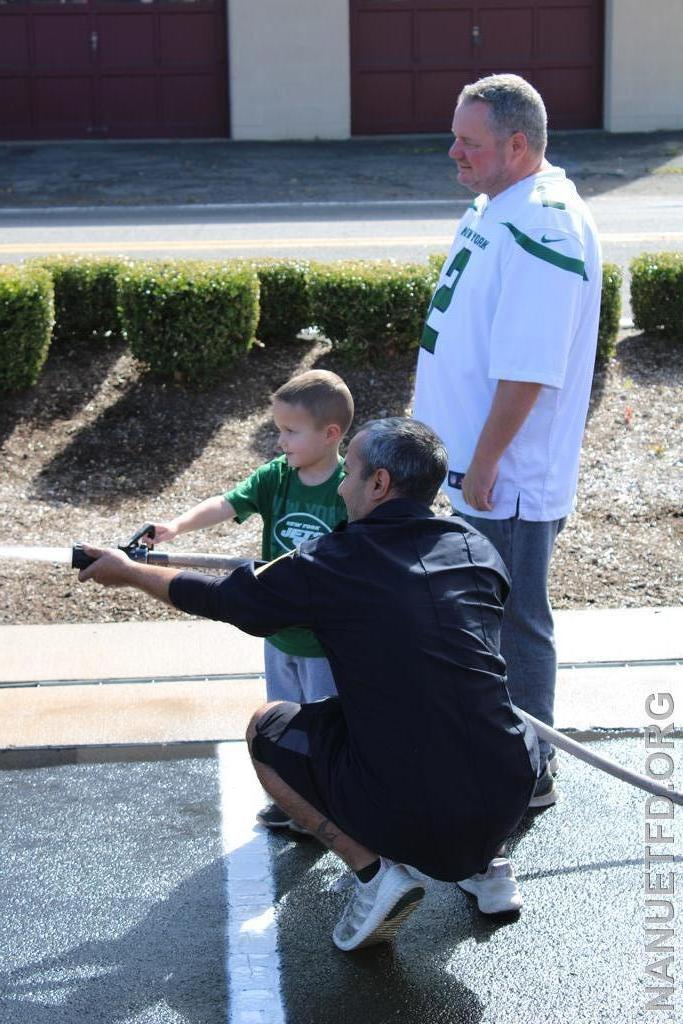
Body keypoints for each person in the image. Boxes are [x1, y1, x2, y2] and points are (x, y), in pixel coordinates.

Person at [79, 417, 538, 951]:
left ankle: (375, 875)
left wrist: (130, 572)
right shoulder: (475, 549)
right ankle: (483, 864)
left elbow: (227, 599)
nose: (342, 484)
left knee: (266, 730)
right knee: (447, 716)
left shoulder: (333, 563)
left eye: (351, 472)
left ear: (380, 484)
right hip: (510, 787)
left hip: (411, 808)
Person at [413, 74, 602, 808]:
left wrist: (485, 460)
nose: (452, 152)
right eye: (456, 136)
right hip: (465, 466)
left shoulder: (545, 221)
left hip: (503, 476)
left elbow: (528, 369)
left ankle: (529, 768)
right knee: (476, 616)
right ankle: (488, 746)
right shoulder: (499, 201)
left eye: (469, 141)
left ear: (517, 145)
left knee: (514, 618)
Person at [143, 368, 353, 829]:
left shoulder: (348, 488)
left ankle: (330, 801)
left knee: (326, 724)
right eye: (278, 429)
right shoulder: (277, 477)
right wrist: (175, 526)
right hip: (278, 631)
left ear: (331, 433)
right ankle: (293, 793)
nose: (280, 441)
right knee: (281, 716)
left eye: (290, 431)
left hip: (326, 640)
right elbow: (228, 503)